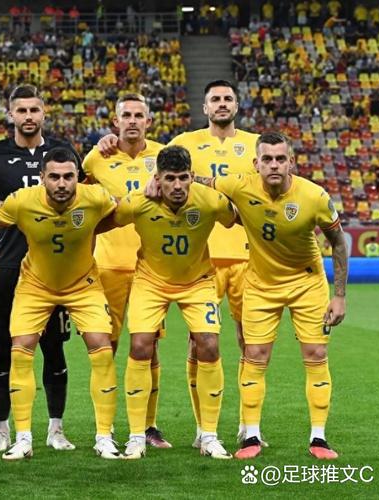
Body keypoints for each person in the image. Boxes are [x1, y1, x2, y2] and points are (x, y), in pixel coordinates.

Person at [100, 79, 260, 447]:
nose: (222, 103)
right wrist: (109, 145)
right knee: (168, 344)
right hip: (176, 265)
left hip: (237, 260)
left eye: (228, 98)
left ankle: (241, 428)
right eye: (215, 99)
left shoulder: (255, 147)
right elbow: (156, 170)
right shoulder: (182, 143)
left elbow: (248, 205)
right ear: (205, 107)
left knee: (244, 343)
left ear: (237, 104)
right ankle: (163, 431)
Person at [193, 132, 348, 460]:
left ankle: (319, 438)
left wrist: (339, 296)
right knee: (255, 354)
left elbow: (338, 242)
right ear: (256, 163)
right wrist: (161, 179)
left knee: (316, 353)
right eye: (267, 159)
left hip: (307, 282)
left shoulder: (314, 196)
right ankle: (251, 435)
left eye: (280, 159)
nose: (274, 165)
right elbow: (199, 181)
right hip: (261, 285)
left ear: (291, 161)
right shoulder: (240, 185)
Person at [0, 147, 121, 460]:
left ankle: (104, 437)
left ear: (78, 178)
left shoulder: (95, 197)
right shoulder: (22, 201)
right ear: (42, 178)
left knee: (102, 348)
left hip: (83, 285)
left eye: (68, 177)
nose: (62, 183)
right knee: (20, 349)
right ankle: (23, 438)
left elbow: (124, 213)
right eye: (54, 177)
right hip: (35, 286)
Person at [0, 85, 78, 453]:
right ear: (10, 114)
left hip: (55, 269)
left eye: (34, 110)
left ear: (44, 113)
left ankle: (56, 429)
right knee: (3, 347)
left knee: (54, 348)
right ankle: (2, 430)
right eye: (22, 110)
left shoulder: (62, 153)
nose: (28, 116)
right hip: (9, 264)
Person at [108, 145, 234, 460]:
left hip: (198, 281)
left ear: (192, 176)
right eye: (169, 179)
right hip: (150, 281)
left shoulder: (210, 200)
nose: (177, 186)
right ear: (158, 178)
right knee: (140, 345)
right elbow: (103, 222)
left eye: (183, 178)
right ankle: (136, 436)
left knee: (209, 344)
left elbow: (237, 217)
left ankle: (209, 436)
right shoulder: (138, 202)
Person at [81, 93, 171, 449]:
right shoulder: (96, 159)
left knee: (149, 347)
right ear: (115, 121)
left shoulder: (164, 156)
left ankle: (148, 426)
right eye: (126, 115)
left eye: (139, 115)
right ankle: (104, 429)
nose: (132, 120)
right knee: (106, 348)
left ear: (148, 121)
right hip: (108, 267)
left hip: (150, 267)